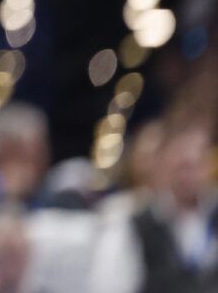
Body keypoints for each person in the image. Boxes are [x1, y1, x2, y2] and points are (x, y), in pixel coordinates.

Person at [88, 123, 217, 293]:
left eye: (196, 165)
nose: (188, 177)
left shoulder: (213, 217)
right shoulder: (135, 222)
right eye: (182, 166)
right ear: (165, 164)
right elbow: (109, 286)